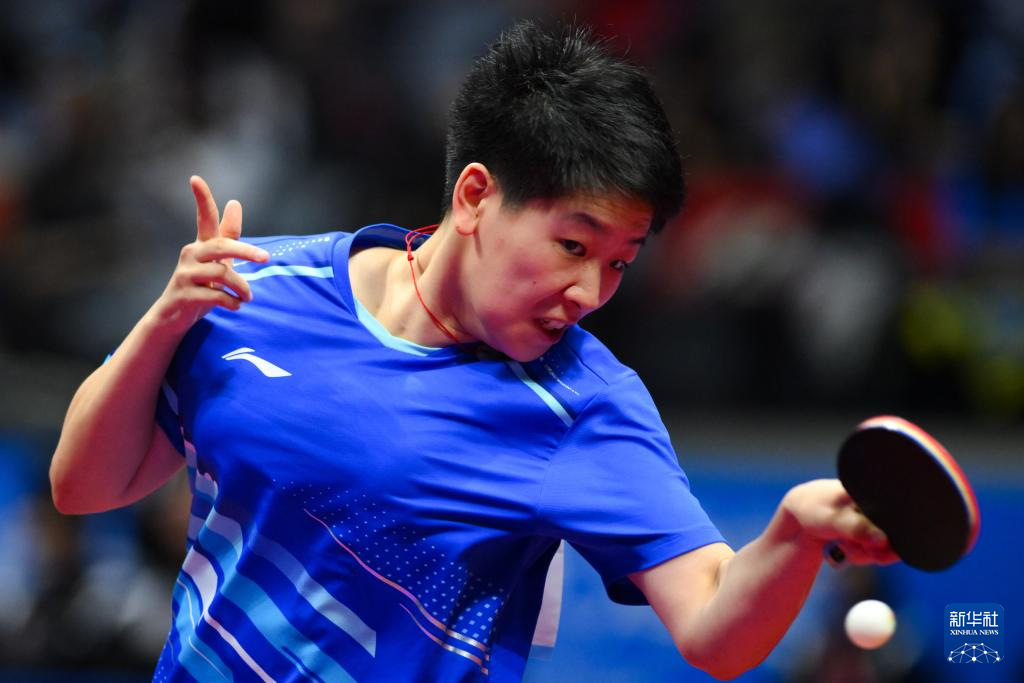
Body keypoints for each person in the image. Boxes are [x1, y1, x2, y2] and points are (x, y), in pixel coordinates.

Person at [50, 20, 896, 682]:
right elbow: (84, 485)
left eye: (620, 263)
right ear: (476, 196)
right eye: (574, 245)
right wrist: (164, 321)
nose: (591, 291)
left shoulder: (582, 406)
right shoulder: (260, 287)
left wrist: (790, 535)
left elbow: (715, 628)